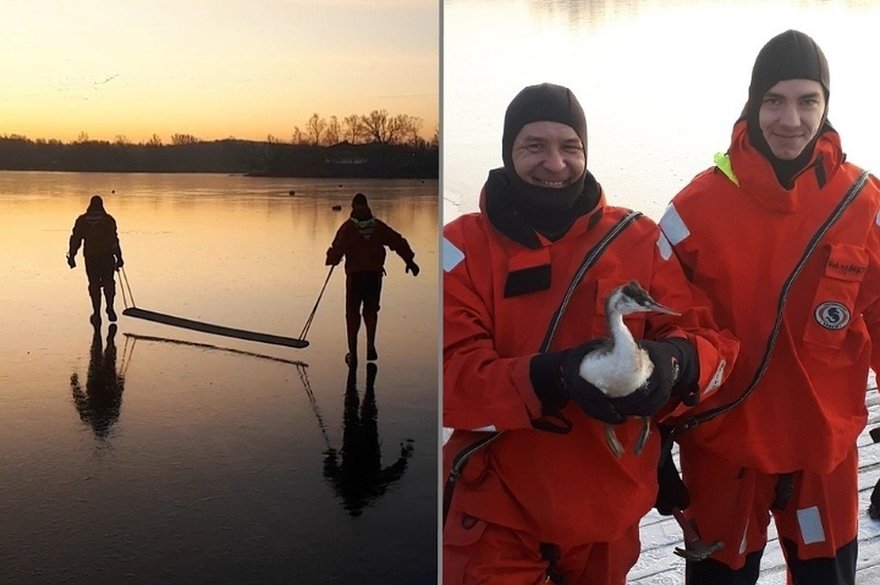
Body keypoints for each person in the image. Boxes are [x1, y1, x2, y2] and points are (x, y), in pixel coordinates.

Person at [442, 82, 739, 585]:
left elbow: (713, 343)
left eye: (569, 147)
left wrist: (675, 363)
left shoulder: (639, 239)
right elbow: (449, 378)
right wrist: (551, 377)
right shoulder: (462, 248)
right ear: (508, 152)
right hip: (496, 510)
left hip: (609, 509)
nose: (554, 163)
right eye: (534, 146)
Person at [659, 30, 880, 584]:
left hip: (823, 451)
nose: (791, 120)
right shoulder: (693, 211)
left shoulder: (865, 202)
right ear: (753, 104)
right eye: (774, 101)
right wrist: (654, 435)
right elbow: (661, 329)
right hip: (723, 447)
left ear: (826, 106)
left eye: (808, 101)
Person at [325, 192, 420, 365]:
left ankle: (353, 354)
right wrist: (410, 261)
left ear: (353, 207)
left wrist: (332, 259)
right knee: (371, 311)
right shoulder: (377, 226)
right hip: (373, 277)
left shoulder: (348, 228)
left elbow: (336, 248)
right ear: (367, 206)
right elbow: (397, 241)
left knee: (352, 314)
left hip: (355, 278)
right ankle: (370, 346)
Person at [67, 194, 125, 324]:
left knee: (94, 284)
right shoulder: (108, 220)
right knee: (109, 282)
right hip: (107, 256)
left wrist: (72, 256)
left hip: (91, 257)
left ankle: (97, 312)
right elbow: (114, 240)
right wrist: (119, 257)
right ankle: (110, 307)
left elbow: (75, 239)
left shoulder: (82, 220)